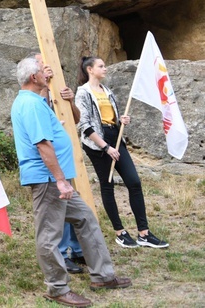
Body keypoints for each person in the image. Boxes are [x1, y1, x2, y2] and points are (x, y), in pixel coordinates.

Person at [11, 56, 131, 307]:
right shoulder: (30, 104)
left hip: (57, 180)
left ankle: (103, 276)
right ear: (34, 78)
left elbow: (58, 128)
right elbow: (43, 145)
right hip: (49, 181)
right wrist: (60, 180)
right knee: (48, 235)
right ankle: (57, 288)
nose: (47, 75)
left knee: (86, 218)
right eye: (42, 73)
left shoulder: (35, 101)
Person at [75, 56, 169, 249]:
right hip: (97, 144)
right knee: (107, 185)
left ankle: (144, 233)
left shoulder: (107, 91)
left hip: (116, 138)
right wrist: (105, 147)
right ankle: (120, 232)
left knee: (134, 182)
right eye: (101, 66)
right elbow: (84, 125)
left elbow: (112, 118)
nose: (105, 68)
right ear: (90, 70)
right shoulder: (82, 93)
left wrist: (122, 121)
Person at [32, 52, 86, 274]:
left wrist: (70, 101)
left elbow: (75, 119)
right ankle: (62, 254)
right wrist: (45, 87)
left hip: (67, 158)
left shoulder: (59, 86)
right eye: (40, 64)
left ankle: (78, 249)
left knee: (74, 203)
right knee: (58, 208)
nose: (46, 67)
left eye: (47, 62)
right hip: (49, 163)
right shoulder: (34, 96)